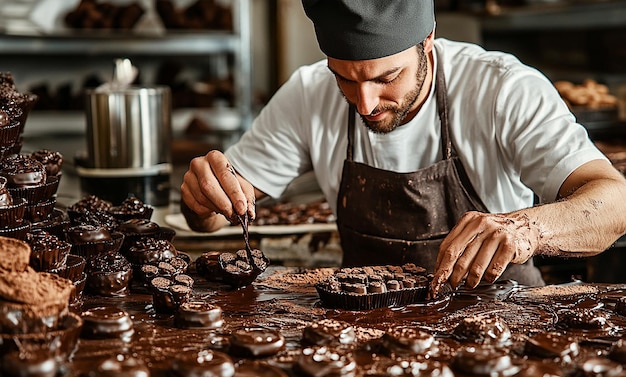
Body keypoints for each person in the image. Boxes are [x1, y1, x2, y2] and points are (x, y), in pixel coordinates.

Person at [180, 0, 626, 297]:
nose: (365, 104)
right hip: (364, 325)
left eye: (385, 78)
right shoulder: (307, 92)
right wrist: (202, 199)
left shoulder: (502, 88)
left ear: (427, 42)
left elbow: (614, 202)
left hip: (500, 321)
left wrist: (527, 229)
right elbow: (213, 217)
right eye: (345, 79)